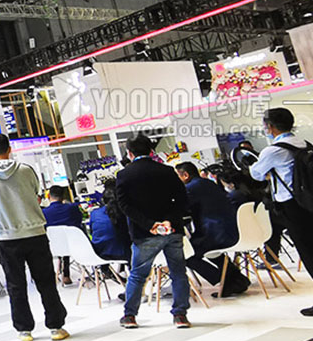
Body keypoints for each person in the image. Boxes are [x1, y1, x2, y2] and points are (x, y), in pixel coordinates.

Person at [0, 133, 69, 341]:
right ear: (10, 149)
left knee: (15, 284)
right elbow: (37, 194)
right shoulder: (26, 170)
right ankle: (56, 327)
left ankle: (24, 330)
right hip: (35, 233)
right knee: (46, 282)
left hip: (6, 237)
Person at [115, 134, 192, 329]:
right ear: (151, 151)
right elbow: (182, 200)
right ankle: (180, 315)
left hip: (144, 233)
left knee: (138, 275)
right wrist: (168, 221)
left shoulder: (124, 175)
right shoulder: (167, 171)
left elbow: (124, 206)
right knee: (178, 273)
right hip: (172, 230)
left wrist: (149, 224)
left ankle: (130, 316)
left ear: (129, 153)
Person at [250, 108, 313, 317]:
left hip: (292, 206)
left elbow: (256, 173)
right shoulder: (304, 144)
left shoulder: (273, 151)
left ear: (270, 127)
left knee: (308, 251)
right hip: (309, 201)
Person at [175, 162, 251, 297]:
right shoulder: (208, 183)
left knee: (184, 254)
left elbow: (181, 208)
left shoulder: (191, 188)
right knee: (210, 252)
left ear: (185, 175)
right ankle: (237, 279)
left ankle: (223, 280)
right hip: (229, 229)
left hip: (215, 233)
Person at [42, 185, 82, 285]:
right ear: (63, 196)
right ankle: (66, 274)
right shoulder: (72, 208)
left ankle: (59, 272)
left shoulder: (44, 212)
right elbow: (79, 222)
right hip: (75, 244)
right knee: (66, 239)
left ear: (49, 196)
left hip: (53, 246)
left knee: (60, 241)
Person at [88, 183, 131, 263]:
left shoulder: (94, 213)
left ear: (103, 200)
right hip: (124, 253)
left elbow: (92, 232)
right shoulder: (125, 212)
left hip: (99, 254)